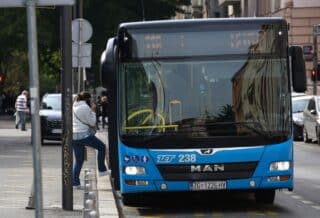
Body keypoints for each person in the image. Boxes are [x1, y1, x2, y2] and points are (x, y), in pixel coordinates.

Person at [72, 91, 109, 188]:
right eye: (90, 99)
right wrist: (93, 111)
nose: (92, 101)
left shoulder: (74, 106)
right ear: (87, 99)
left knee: (79, 160)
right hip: (83, 135)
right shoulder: (85, 107)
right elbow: (92, 123)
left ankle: (75, 183)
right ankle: (102, 170)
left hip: (74, 136)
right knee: (101, 147)